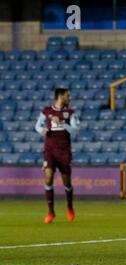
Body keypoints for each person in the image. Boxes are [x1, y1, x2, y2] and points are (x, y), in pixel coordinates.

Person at [35, 88, 80, 224]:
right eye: (68, 95)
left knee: (66, 182)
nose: (70, 97)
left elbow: (75, 131)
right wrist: (41, 130)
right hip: (49, 150)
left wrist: (62, 124)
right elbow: (37, 125)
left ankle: (70, 207)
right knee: (48, 178)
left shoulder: (70, 113)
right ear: (60, 96)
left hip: (64, 151)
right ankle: (51, 212)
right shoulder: (47, 111)